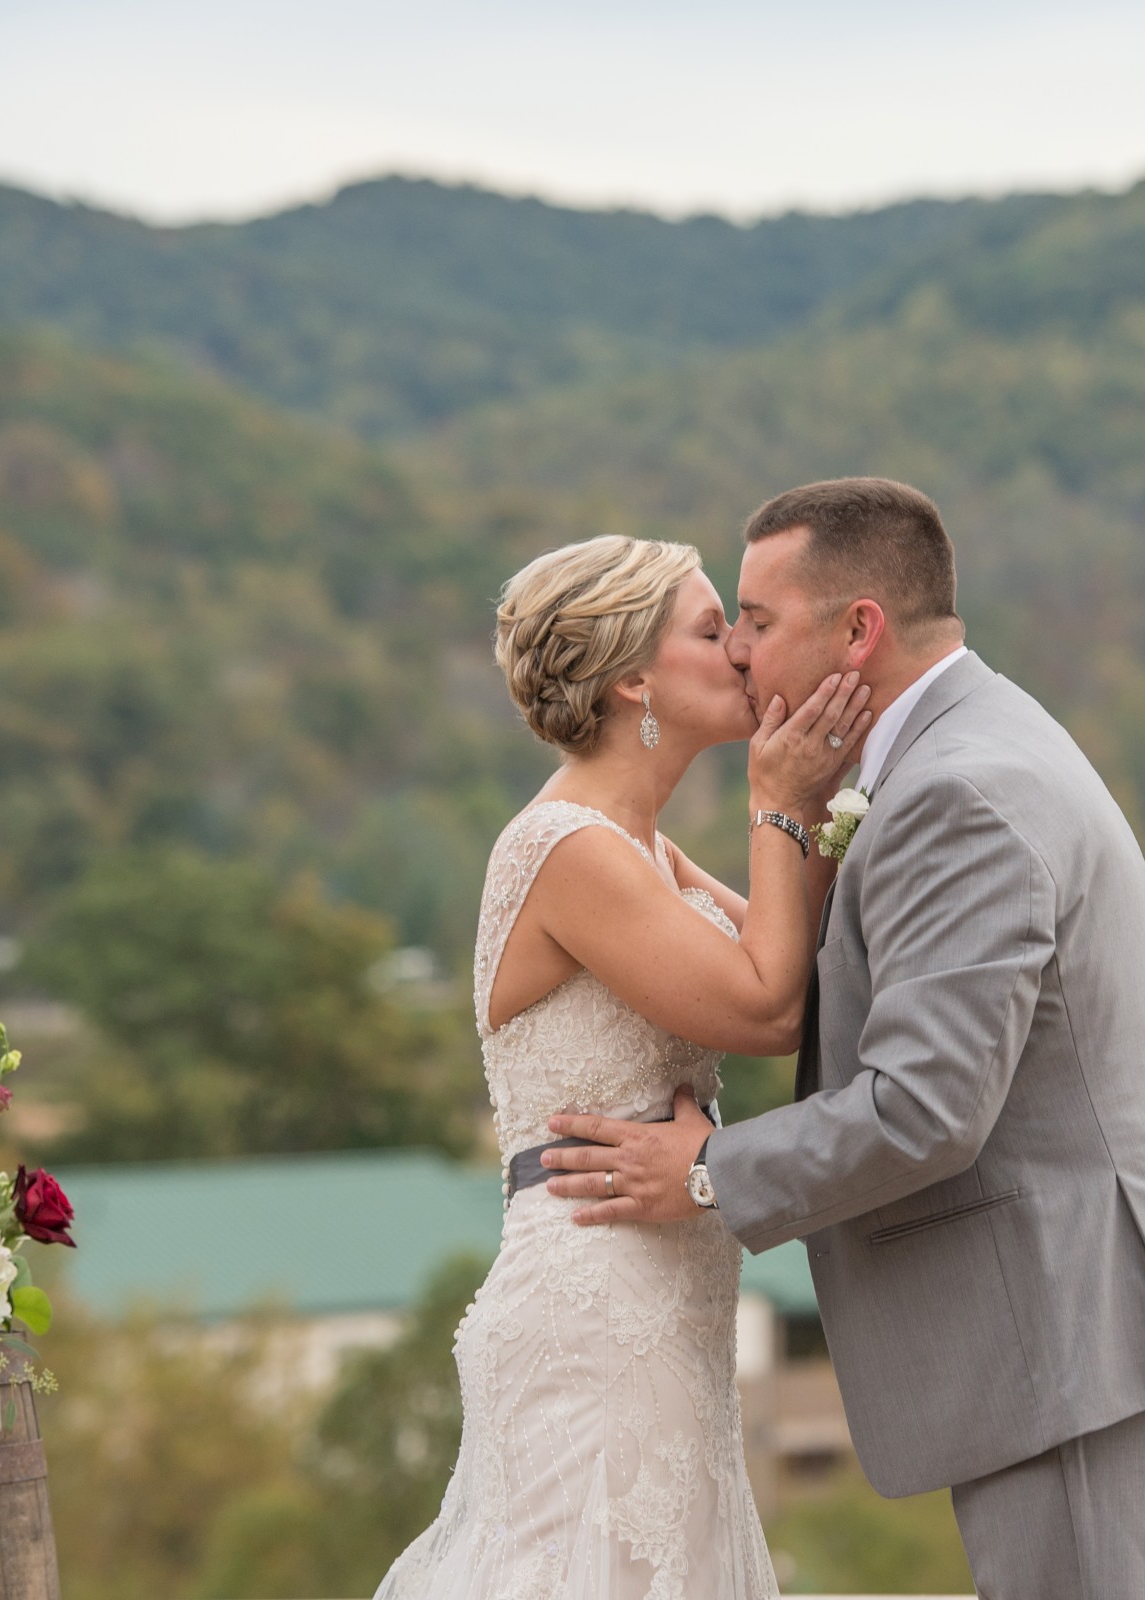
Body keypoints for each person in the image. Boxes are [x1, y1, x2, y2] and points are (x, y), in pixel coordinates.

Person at [542, 478, 1145, 1600]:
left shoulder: (954, 793)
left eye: (760, 620)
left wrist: (701, 1172)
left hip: (1084, 1337)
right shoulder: (968, 745)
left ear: (859, 630)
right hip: (1091, 1336)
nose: (738, 650)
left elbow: (926, 1107)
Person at [373, 533, 868, 1598]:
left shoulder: (640, 846)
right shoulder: (565, 848)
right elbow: (765, 1004)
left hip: (670, 1301)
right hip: (594, 1304)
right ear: (633, 675)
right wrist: (775, 803)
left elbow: (807, 985)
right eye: (709, 629)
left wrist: (815, 811)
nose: (741, 649)